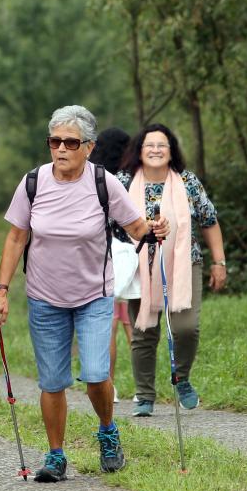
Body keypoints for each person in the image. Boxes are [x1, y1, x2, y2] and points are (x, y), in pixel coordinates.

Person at [0, 106, 169, 482]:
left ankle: (107, 432)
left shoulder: (104, 183)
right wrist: (2, 291)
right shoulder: (33, 182)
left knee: (95, 372)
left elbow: (136, 227)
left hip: (93, 296)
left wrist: (154, 228)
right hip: (43, 297)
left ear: (88, 147)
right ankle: (56, 456)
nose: (61, 149)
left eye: (71, 142)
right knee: (52, 381)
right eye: (55, 141)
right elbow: (17, 237)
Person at [116, 123, 226, 417]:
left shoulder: (187, 181)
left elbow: (209, 220)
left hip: (184, 262)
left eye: (161, 145)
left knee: (186, 328)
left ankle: (182, 379)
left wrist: (219, 262)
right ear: (139, 151)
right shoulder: (124, 181)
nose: (155, 150)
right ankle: (144, 395)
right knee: (144, 330)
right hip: (139, 265)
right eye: (149, 145)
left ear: (171, 150)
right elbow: (108, 220)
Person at [89, 127, 134, 403]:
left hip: (103, 254)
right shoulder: (129, 179)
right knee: (133, 321)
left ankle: (110, 385)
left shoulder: (94, 179)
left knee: (110, 322)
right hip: (131, 253)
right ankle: (144, 385)